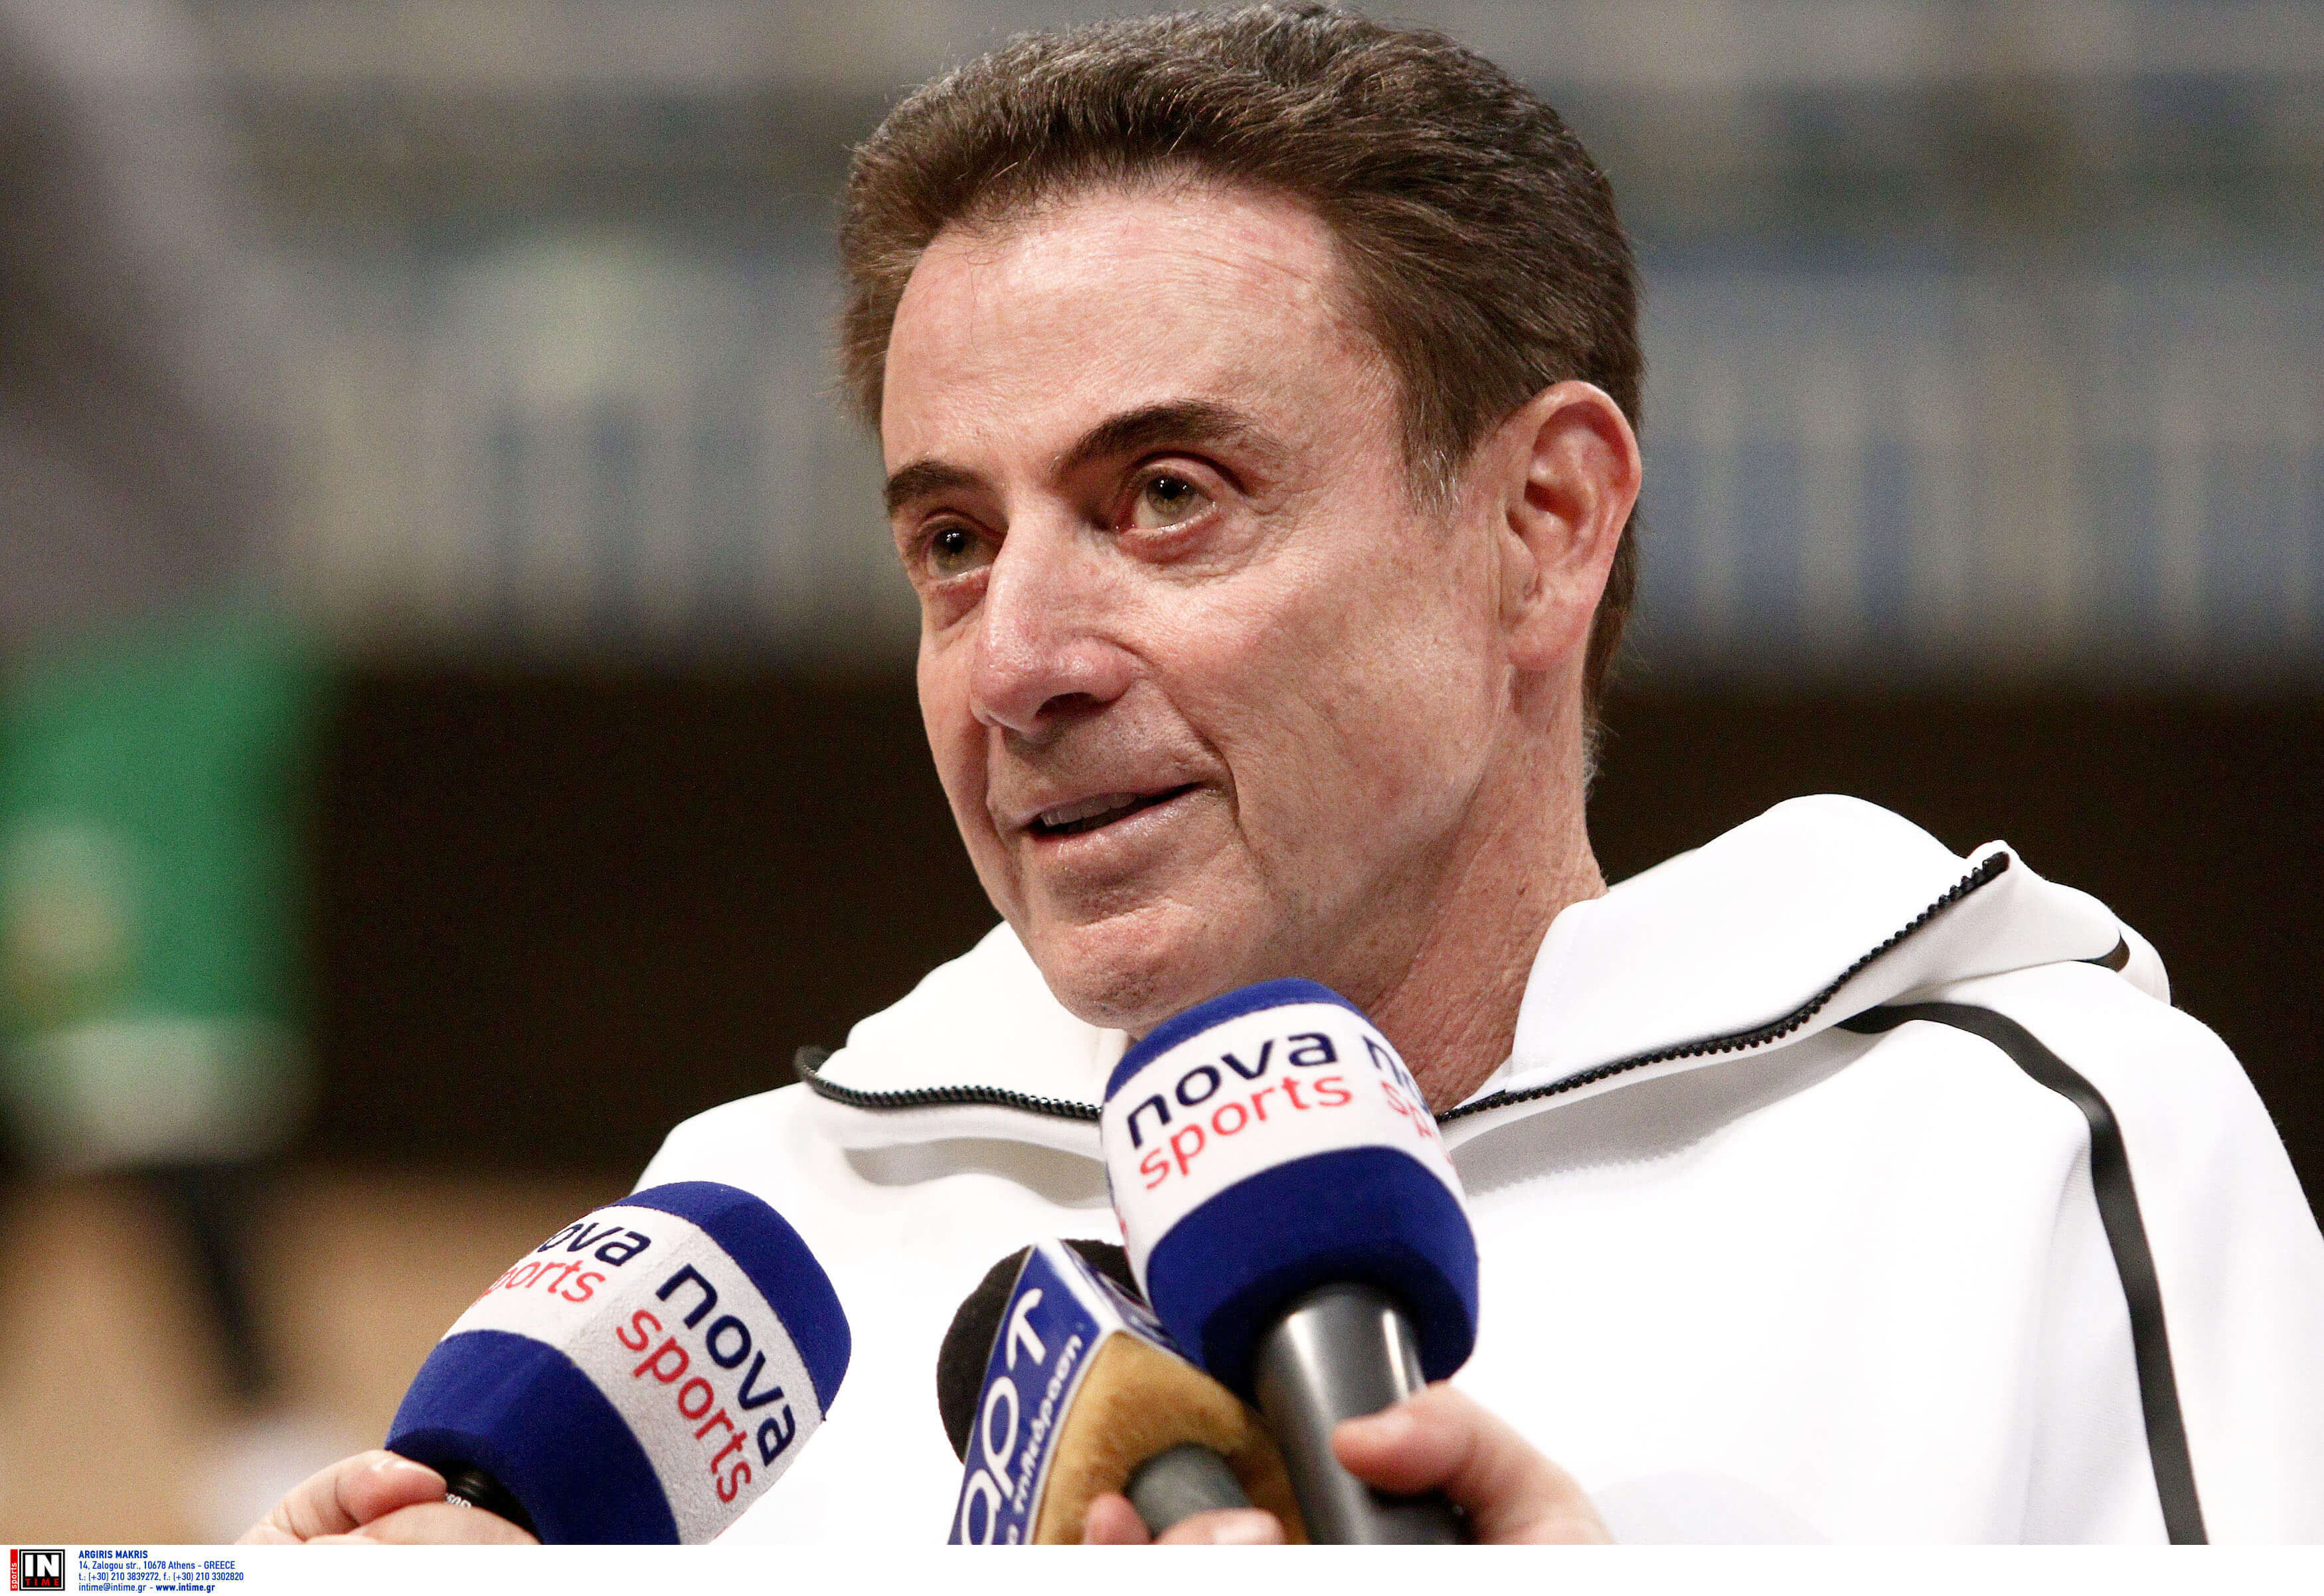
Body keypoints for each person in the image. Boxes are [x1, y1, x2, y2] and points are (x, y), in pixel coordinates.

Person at [252, 4, 2324, 1546]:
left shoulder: (2027, 1161)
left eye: (1166, 495)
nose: (1018, 663)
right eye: (951, 539)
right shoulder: (766, 1234)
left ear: (1538, 523)